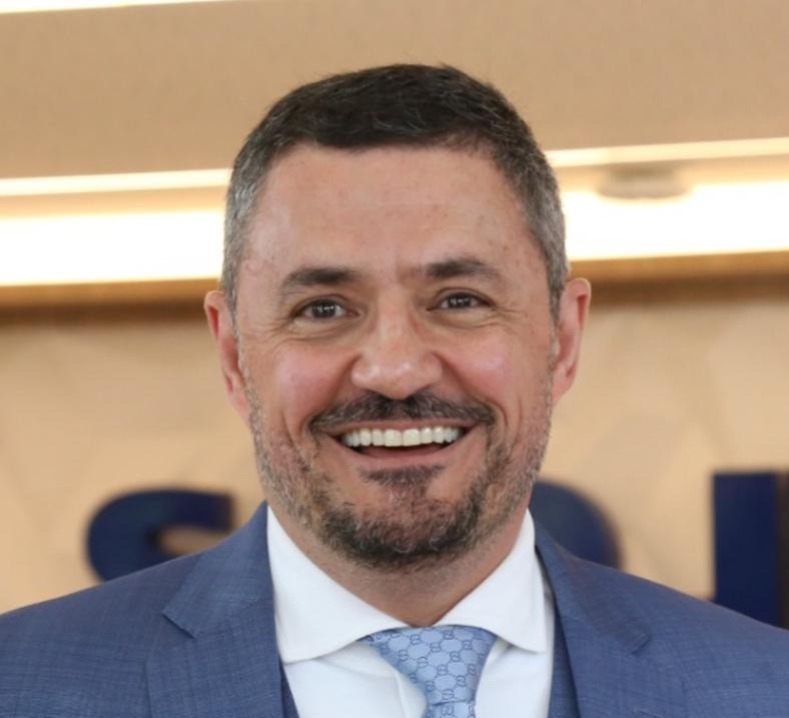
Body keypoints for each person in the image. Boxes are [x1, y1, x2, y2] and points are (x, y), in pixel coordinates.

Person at [1, 64, 787, 718]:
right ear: (234, 354)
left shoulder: (762, 688)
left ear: (562, 338)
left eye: (458, 300)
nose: (394, 369)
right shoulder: (22, 686)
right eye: (323, 309)